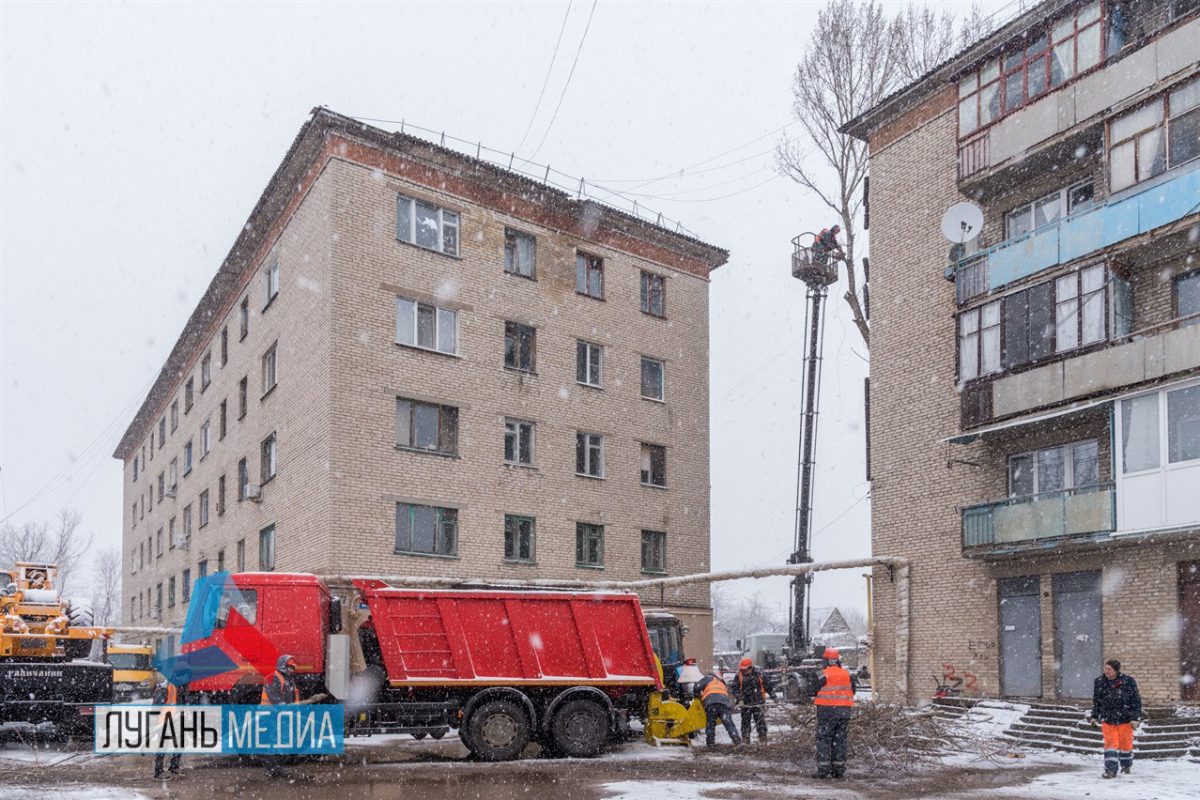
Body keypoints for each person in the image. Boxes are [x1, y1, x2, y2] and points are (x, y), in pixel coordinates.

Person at [1090, 659, 1143, 779]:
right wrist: (1094, 716)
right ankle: (1110, 770)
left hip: (1125, 718)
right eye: (1105, 668)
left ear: (1116, 670)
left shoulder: (1128, 681)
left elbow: (1135, 701)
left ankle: (1126, 765)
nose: (1106, 671)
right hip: (1108, 718)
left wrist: (1135, 718)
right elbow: (1096, 701)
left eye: (1109, 669)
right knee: (1110, 744)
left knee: (1125, 744)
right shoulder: (1099, 682)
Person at [812, 647, 856, 780]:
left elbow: (814, 689)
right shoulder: (847, 674)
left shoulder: (822, 673)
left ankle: (824, 770)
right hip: (844, 711)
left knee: (824, 738)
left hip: (827, 711)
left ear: (826, 660)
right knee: (840, 739)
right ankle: (839, 770)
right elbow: (853, 691)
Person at [260, 654, 302, 778]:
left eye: (293, 668)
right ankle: (271, 769)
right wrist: (286, 707)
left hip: (281, 714)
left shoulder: (289, 679)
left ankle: (276, 767)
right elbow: (276, 699)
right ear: (282, 666)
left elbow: (293, 697)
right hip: (270, 714)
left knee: (282, 740)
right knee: (274, 741)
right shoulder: (272, 678)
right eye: (289, 667)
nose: (291, 670)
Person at [152, 666, 190, 779]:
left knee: (181, 741)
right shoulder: (167, 687)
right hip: (165, 720)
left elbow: (180, 704)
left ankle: (174, 766)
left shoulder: (180, 687)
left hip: (175, 720)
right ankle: (158, 771)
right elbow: (157, 706)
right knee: (163, 744)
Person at [692, 670, 742, 747]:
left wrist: (697, 696)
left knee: (710, 725)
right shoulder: (721, 683)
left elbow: (697, 687)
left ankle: (710, 744)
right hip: (725, 703)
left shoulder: (709, 678)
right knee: (729, 724)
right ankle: (737, 742)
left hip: (711, 703)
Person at [735, 657, 768, 742]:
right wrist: (739, 700)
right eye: (742, 669)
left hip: (758, 702)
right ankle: (746, 741)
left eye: (745, 669)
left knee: (761, 723)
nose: (744, 671)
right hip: (745, 704)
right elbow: (735, 689)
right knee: (745, 724)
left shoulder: (759, 674)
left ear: (750, 667)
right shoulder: (739, 675)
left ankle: (763, 739)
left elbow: (768, 685)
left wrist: (774, 697)